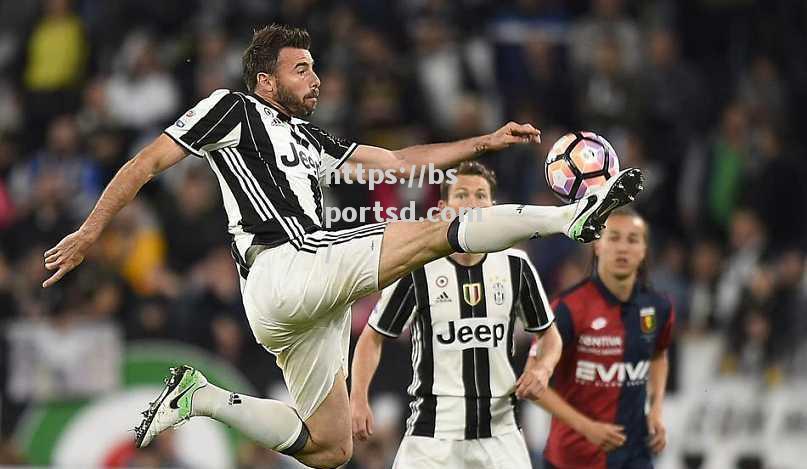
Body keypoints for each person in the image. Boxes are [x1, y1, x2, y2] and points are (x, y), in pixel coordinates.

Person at [42, 24, 642, 469]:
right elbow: (149, 160)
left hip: (294, 305)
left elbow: (400, 161)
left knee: (330, 448)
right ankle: (570, 217)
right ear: (265, 79)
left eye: (315, 66)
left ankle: (202, 397)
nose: (316, 76)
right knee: (440, 229)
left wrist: (484, 140)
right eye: (301, 68)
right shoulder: (232, 109)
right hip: (288, 264)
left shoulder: (310, 137)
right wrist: (92, 229)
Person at [350, 161, 562, 468]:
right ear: (443, 208)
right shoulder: (417, 270)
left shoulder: (517, 267)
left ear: (493, 206)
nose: (472, 203)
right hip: (432, 435)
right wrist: (358, 397)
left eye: (480, 195)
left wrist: (542, 370)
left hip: (500, 434)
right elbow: (372, 337)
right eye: (461, 195)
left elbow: (549, 336)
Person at [529, 208, 674, 469]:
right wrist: (587, 428)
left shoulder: (658, 307)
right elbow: (531, 383)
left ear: (643, 251)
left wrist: (656, 408)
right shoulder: (567, 308)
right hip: (574, 458)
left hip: (634, 454)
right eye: (614, 237)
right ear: (597, 245)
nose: (623, 248)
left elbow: (659, 354)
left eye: (632, 240)